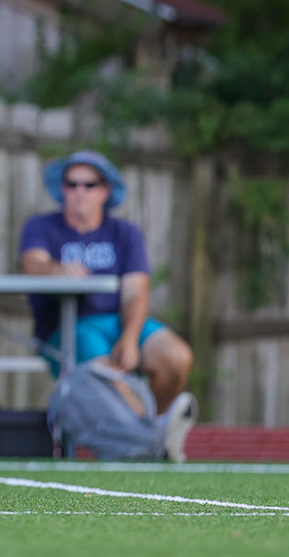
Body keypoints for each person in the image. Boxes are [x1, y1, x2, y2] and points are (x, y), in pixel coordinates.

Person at [18, 149, 197, 461]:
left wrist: (129, 337)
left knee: (176, 357)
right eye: (71, 184)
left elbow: (135, 292)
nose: (79, 191)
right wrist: (59, 270)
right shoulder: (41, 226)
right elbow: (32, 264)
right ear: (62, 190)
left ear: (105, 191)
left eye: (89, 185)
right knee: (112, 380)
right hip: (68, 327)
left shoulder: (125, 233)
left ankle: (148, 433)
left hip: (117, 321)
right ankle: (154, 441)